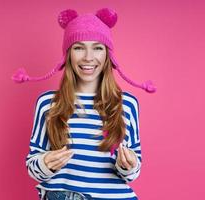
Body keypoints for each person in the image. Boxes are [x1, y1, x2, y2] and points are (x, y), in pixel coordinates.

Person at [12, 8, 156, 200]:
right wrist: (46, 163)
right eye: (79, 47)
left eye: (97, 47)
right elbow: (33, 166)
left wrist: (128, 165)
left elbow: (132, 172)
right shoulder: (48, 103)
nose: (88, 57)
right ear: (68, 54)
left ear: (107, 55)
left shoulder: (126, 104)